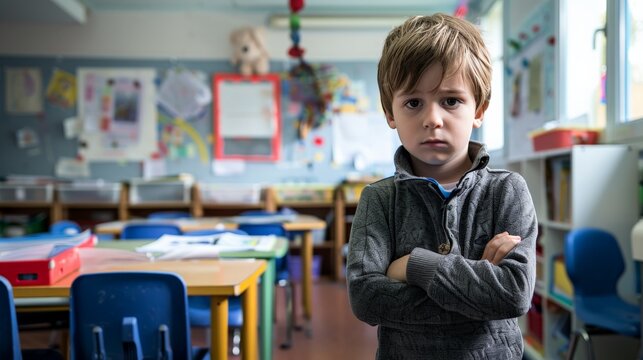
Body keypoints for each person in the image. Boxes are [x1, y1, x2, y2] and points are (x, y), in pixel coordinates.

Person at [346, 13, 537, 359]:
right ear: (391, 113)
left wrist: (414, 266)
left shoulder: (507, 191)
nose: (432, 119)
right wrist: (478, 288)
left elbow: (514, 294)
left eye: (451, 101)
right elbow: (366, 298)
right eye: (413, 103)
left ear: (479, 108)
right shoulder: (379, 199)